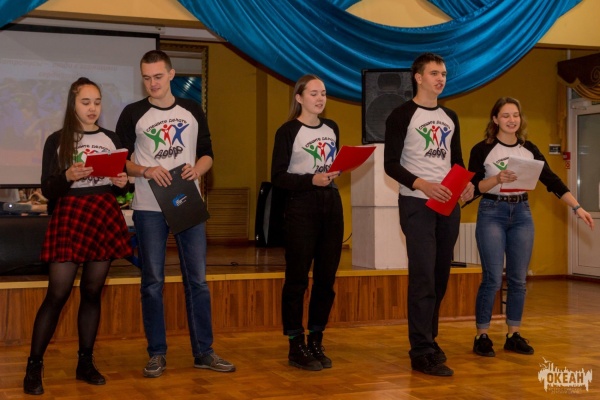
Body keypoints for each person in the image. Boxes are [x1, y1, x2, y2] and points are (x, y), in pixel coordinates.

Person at [115, 50, 235, 378]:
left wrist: (198, 169)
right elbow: (120, 160)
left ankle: (204, 352)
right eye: (146, 78)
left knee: (197, 281)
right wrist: (145, 170)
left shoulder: (192, 109)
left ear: (171, 74)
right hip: (148, 208)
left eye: (158, 76)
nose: (152, 83)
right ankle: (156, 353)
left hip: (187, 204)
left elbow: (208, 153)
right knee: (152, 282)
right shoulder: (133, 113)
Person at [23, 77, 131, 395]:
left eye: (97, 102)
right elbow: (47, 189)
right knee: (57, 294)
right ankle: (34, 366)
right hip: (70, 214)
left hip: (102, 214)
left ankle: (85, 362)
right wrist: (68, 175)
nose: (92, 108)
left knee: (92, 292)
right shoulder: (58, 140)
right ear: (73, 105)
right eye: (86, 102)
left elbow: (119, 188)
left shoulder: (111, 139)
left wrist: (122, 183)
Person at [468, 96, 594, 357]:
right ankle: (482, 335)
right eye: (505, 115)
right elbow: (474, 189)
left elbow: (552, 181)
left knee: (518, 279)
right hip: (492, 211)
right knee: (492, 278)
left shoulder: (529, 149)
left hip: (522, 213)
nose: (511, 120)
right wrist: (497, 178)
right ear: (495, 119)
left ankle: (513, 334)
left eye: (515, 115)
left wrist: (577, 207)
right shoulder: (482, 149)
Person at [383, 53, 474, 377]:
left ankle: (430, 340)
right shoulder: (401, 115)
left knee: (439, 275)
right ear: (418, 77)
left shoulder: (450, 116)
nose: (441, 79)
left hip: (447, 204)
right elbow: (390, 164)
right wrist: (423, 184)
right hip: (416, 203)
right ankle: (420, 350)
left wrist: (465, 184)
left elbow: (457, 161)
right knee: (422, 275)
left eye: (444, 74)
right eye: (434, 73)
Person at [271, 74, 344, 371]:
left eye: (323, 93)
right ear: (299, 97)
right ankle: (295, 343)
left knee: (326, 278)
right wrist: (311, 180)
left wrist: (338, 169)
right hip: (301, 206)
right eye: (313, 93)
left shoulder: (332, 128)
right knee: (298, 278)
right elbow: (278, 177)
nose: (320, 98)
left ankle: (316, 338)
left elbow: (331, 164)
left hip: (331, 204)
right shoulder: (288, 131)